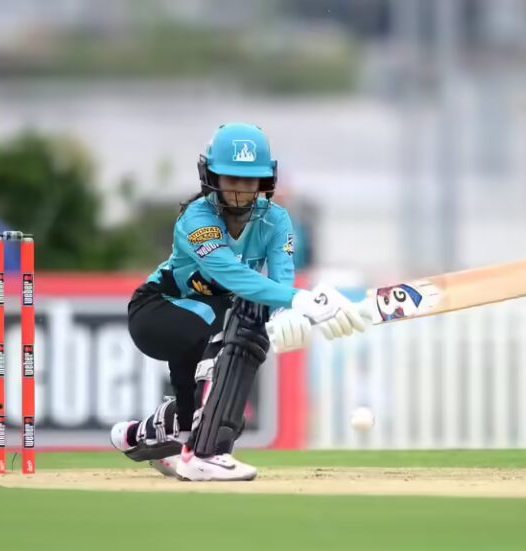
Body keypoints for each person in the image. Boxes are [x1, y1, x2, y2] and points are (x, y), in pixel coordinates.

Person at [108, 123, 372, 481]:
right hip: (159, 311)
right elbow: (234, 277)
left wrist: (286, 310)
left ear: (266, 181)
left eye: (250, 181)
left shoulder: (277, 220)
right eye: (231, 179)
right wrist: (301, 299)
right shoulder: (196, 219)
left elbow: (280, 278)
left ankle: (150, 433)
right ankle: (204, 453)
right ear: (211, 176)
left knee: (229, 374)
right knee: (236, 329)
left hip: (208, 316)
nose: (240, 191)